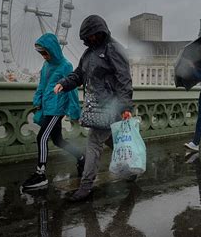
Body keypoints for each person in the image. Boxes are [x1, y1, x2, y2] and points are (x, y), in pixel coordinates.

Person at [54, 15, 133, 201]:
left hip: (110, 106)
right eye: (87, 37)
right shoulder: (88, 54)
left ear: (101, 32)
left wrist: (125, 106)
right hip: (94, 105)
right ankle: (129, 170)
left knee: (93, 142)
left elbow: (124, 79)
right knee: (108, 140)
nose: (91, 39)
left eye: (93, 35)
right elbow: (79, 75)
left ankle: (86, 186)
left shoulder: (113, 49)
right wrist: (64, 84)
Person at [21, 33, 84, 190]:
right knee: (57, 140)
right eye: (41, 53)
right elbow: (42, 85)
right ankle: (81, 157)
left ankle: (41, 174)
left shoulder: (66, 66)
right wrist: (37, 100)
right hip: (47, 107)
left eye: (45, 52)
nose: (43, 56)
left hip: (57, 109)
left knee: (41, 137)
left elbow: (72, 90)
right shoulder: (46, 66)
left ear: (53, 49)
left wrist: (74, 111)